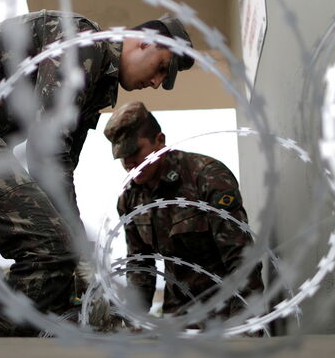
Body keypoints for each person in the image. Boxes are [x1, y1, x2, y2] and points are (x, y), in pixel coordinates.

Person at [0, 10, 193, 336]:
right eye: (163, 67)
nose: (157, 83)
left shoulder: (96, 84)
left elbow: (60, 171)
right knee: (52, 249)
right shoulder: (84, 42)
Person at [106, 101, 264, 323]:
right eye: (122, 156)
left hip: (227, 311)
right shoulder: (131, 200)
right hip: (179, 316)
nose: (129, 163)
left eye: (134, 151)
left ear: (159, 141)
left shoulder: (206, 176)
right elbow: (140, 267)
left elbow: (241, 257)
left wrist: (245, 323)